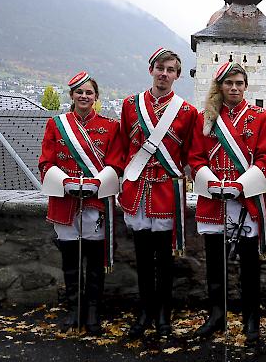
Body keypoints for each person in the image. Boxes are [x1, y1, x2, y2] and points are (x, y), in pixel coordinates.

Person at [189, 62, 266, 343]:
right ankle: (217, 315)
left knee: (249, 264)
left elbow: (264, 158)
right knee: (215, 263)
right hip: (214, 199)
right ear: (220, 86)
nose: (234, 88)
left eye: (239, 83)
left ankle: (251, 319)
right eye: (228, 83)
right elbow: (196, 158)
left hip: (246, 198)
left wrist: (240, 185)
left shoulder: (261, 117)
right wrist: (212, 183)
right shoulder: (206, 119)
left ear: (245, 86)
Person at [119, 48, 198, 338]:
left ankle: (164, 314)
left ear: (177, 75)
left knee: (165, 259)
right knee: (142, 257)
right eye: (160, 68)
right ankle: (145, 312)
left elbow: (190, 153)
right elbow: (124, 147)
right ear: (151, 69)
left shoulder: (187, 112)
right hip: (138, 190)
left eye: (171, 69)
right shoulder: (130, 105)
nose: (164, 74)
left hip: (167, 191)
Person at [39, 71, 124, 335]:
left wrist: (98, 183)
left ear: (96, 97)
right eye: (79, 91)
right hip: (66, 202)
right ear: (72, 96)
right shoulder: (56, 125)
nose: (84, 96)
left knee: (95, 263)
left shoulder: (111, 127)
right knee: (70, 261)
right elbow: (46, 162)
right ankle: (74, 310)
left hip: (96, 204)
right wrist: (64, 182)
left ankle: (93, 313)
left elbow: (116, 162)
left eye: (89, 92)